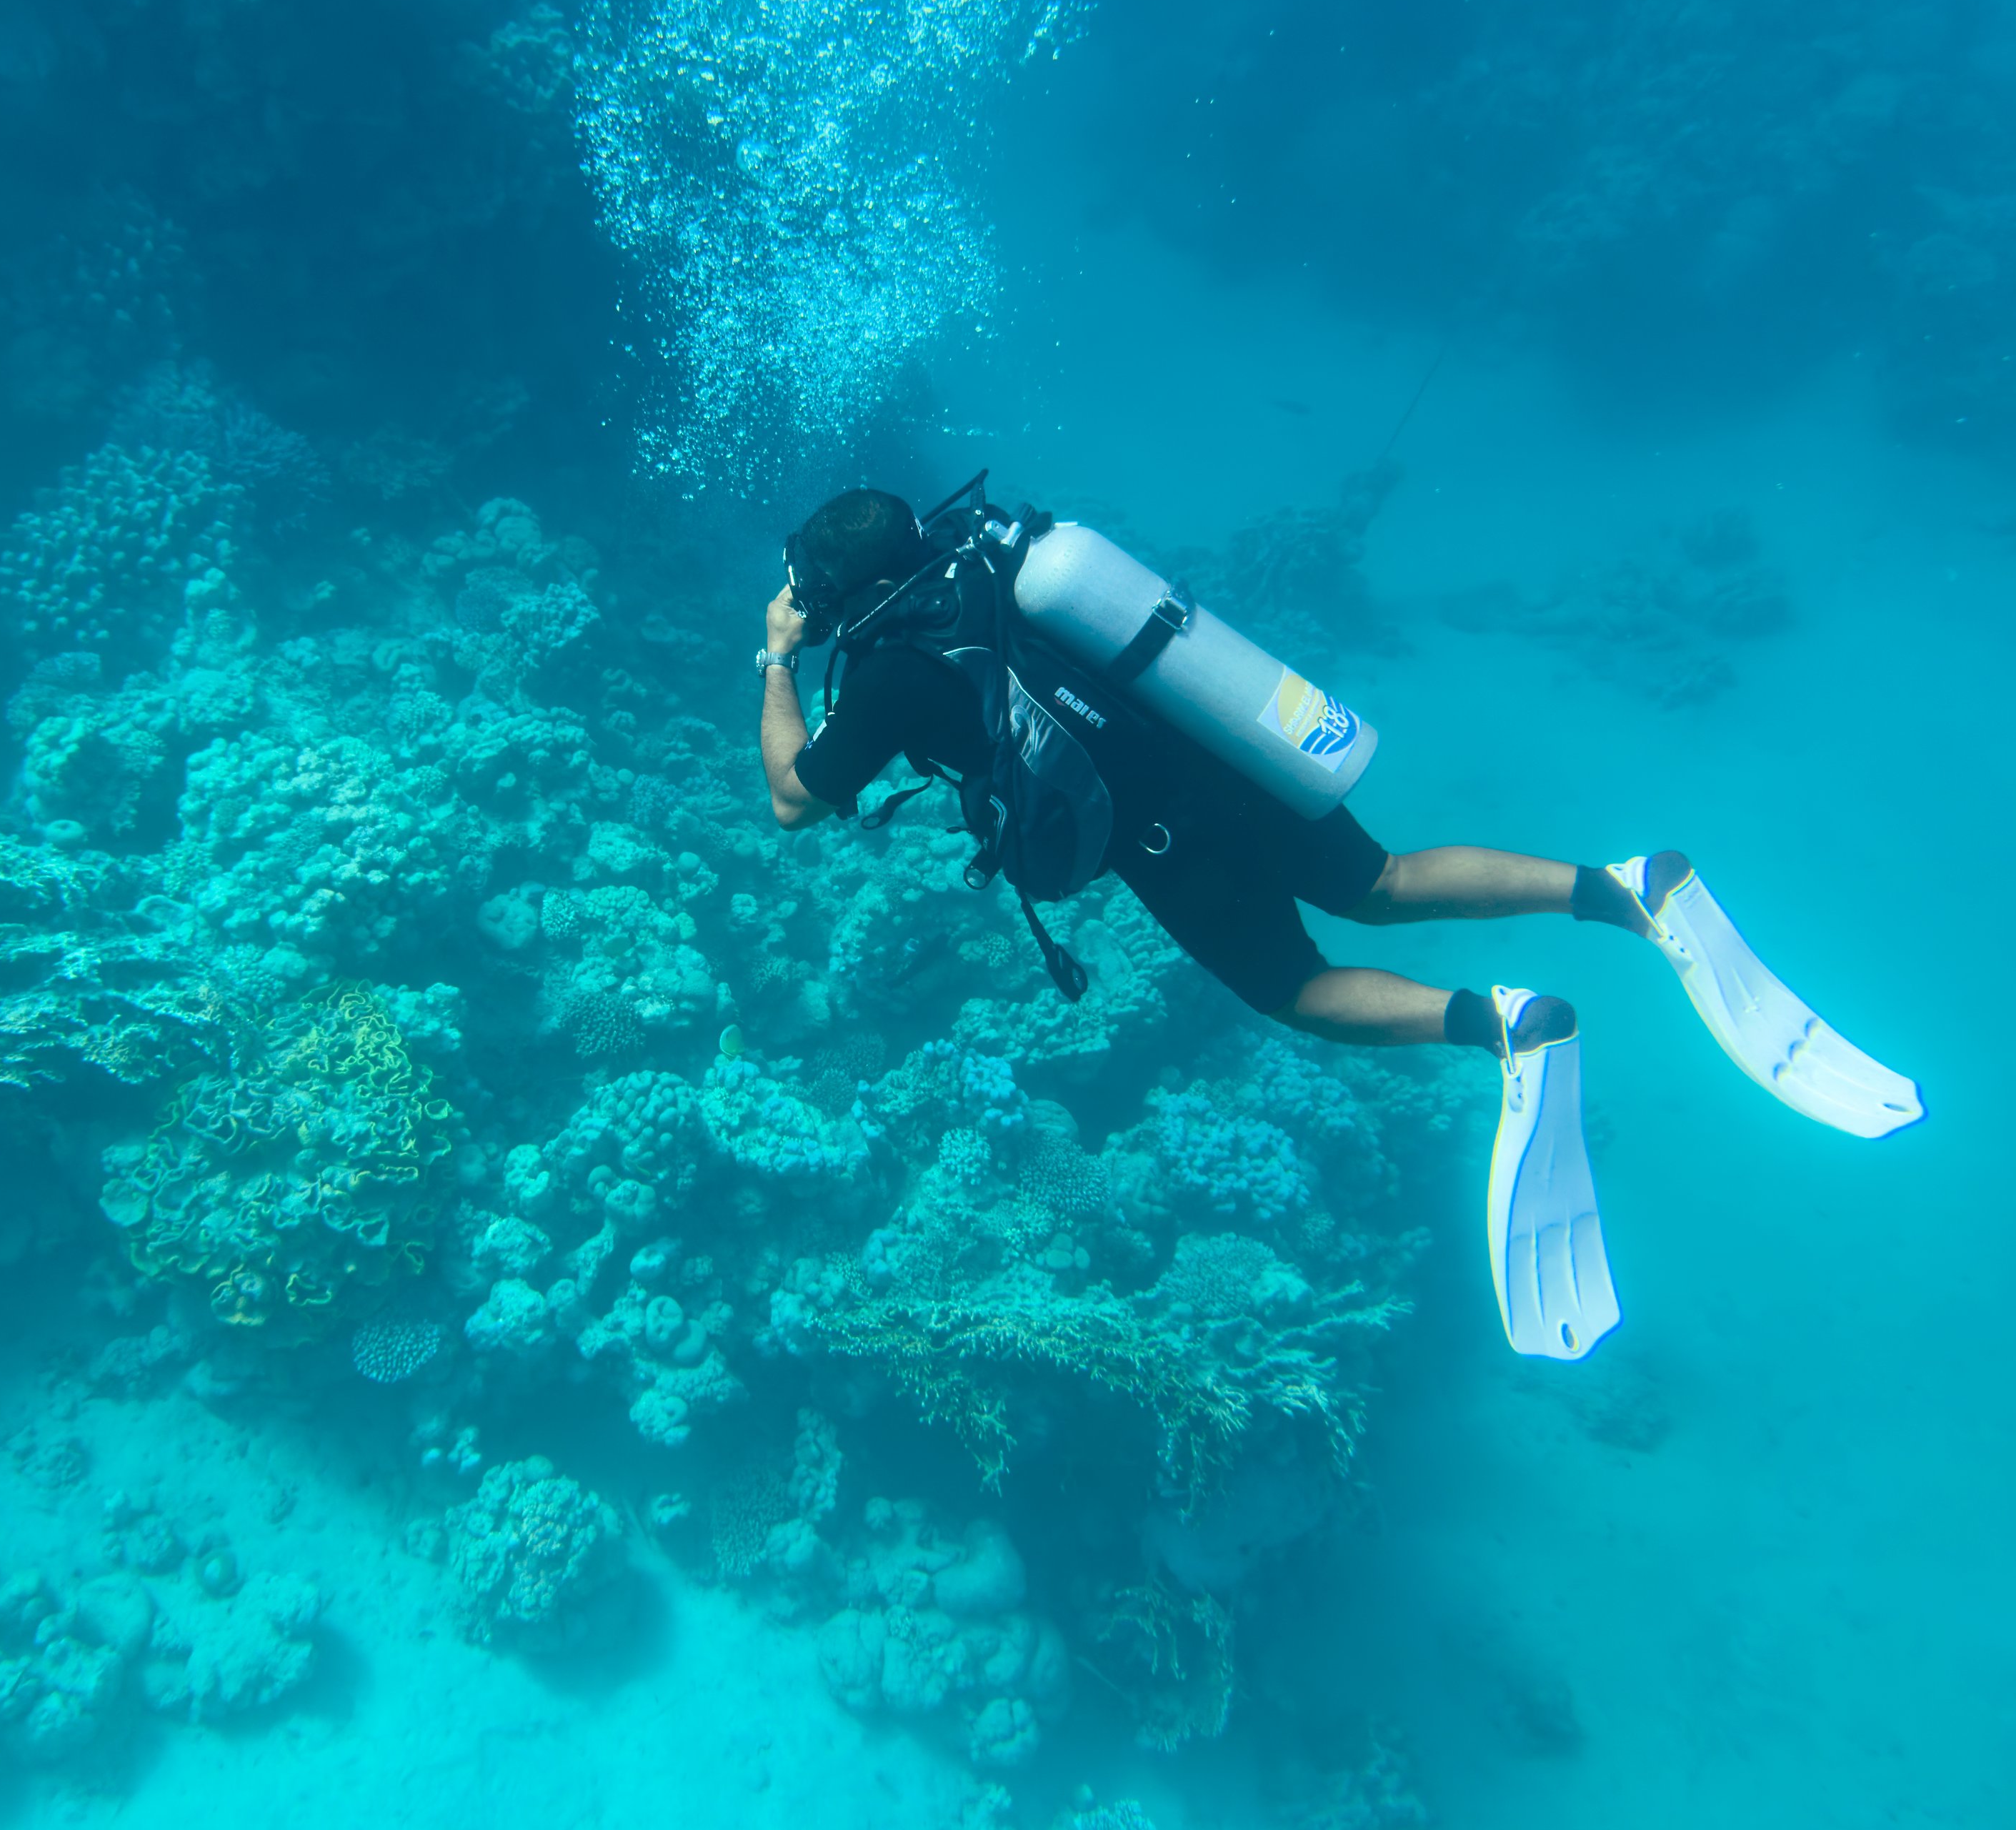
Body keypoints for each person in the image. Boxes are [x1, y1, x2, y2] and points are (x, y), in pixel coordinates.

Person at [754, 485, 1921, 1359]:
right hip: (1237, 755)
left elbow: (793, 800)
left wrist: (776, 660)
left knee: (1297, 990)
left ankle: (1505, 1025)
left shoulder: (896, 670)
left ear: (845, 592)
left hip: (1169, 838)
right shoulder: (999, 552)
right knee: (1387, 882)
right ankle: (1624, 888)